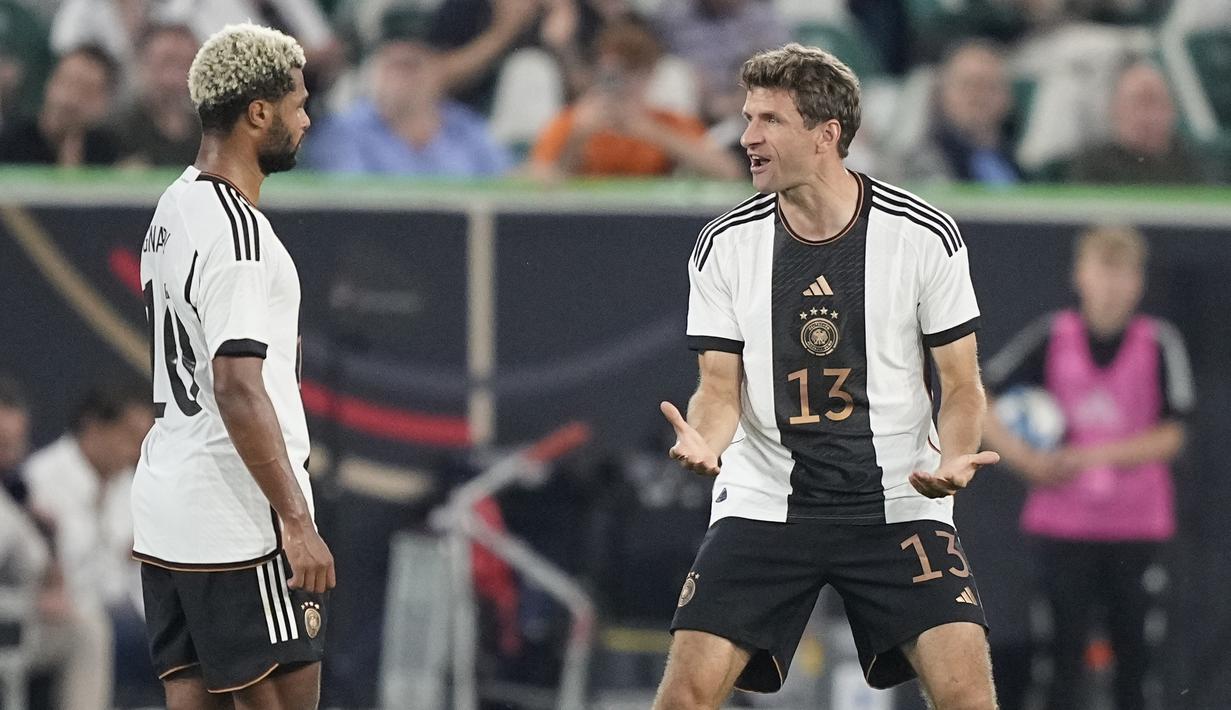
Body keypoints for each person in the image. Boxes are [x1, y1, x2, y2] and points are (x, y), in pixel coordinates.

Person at [654, 44, 1000, 709]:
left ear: (826, 135)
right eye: (747, 117)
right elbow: (718, 390)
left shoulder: (923, 235)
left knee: (967, 697)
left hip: (899, 496)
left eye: (769, 121)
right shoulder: (723, 244)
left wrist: (955, 455)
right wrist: (706, 440)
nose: (747, 136)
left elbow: (959, 383)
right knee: (682, 697)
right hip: (765, 498)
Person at [133, 22, 334, 710]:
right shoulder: (239, 234)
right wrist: (296, 520)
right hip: (239, 512)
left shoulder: (174, 206)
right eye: (298, 104)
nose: (306, 120)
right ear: (257, 113)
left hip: (168, 502)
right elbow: (237, 385)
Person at [982, 225, 1194, 710]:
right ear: (1080, 276)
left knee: (1137, 662)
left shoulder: (1158, 342)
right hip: (1063, 528)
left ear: (1138, 282)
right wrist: (1026, 460)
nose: (1112, 286)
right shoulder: (1052, 336)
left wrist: (1093, 455)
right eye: (1103, 270)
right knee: (1060, 662)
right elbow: (978, 396)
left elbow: (1175, 433)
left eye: (1123, 274)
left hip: (1135, 529)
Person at [22, 382, 157, 706]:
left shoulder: (131, 484)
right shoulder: (40, 480)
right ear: (94, 428)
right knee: (98, 631)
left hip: (125, 614)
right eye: (130, 436)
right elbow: (49, 574)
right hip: (58, 616)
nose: (137, 450)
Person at [0, 374, 110, 710]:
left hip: (20, 623)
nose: (11, 453)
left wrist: (49, 563)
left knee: (86, 630)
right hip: (13, 619)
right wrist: (33, 602)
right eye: (2, 442)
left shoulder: (19, 493)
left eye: (15, 442)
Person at [529, 21, 740, 179]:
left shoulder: (669, 122)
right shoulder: (574, 120)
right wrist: (576, 138)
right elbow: (536, 180)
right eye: (610, 75)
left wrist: (650, 131)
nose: (621, 84)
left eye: (630, 72)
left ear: (649, 75)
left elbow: (729, 172)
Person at [305, 34, 511, 176]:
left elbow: (504, 183)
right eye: (392, 66)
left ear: (436, 73)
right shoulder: (345, 130)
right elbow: (351, 203)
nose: (400, 79)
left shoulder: (465, 127)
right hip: (375, 237)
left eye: (411, 66)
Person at [894, 40, 1023, 185]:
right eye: (967, 85)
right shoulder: (920, 164)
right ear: (941, 94)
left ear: (1008, 97)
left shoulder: (1022, 162)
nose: (978, 96)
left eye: (989, 86)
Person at [1067, 60, 1206, 184]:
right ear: (1114, 110)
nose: (1151, 116)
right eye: (1140, 103)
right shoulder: (1092, 169)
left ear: (1174, 110)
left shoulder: (1202, 165)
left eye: (1159, 103)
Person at [0, 44, 120, 166]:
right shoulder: (9, 143)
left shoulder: (107, 155)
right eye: (66, 83)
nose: (70, 99)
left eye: (86, 91)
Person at [115, 24, 200, 167]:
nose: (176, 78)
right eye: (167, 63)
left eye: (185, 65)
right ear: (142, 64)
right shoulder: (115, 131)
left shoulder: (210, 135)